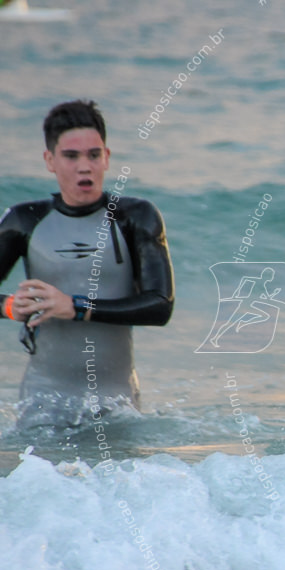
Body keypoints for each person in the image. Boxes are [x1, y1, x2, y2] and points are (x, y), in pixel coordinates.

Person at [0, 99, 174, 429]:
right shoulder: (24, 221)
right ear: (50, 160)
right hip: (42, 402)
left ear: (107, 157)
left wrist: (78, 307)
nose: (85, 166)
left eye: (94, 155)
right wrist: (11, 307)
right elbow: (7, 304)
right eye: (71, 156)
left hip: (117, 404)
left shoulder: (134, 218)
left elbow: (160, 306)